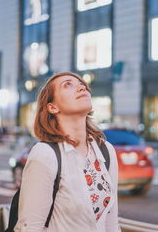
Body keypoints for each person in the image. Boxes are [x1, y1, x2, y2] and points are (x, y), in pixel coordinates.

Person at [15, 72, 120, 232]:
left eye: (81, 84)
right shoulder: (45, 154)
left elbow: (111, 223)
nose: (80, 86)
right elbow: (29, 227)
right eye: (68, 84)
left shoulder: (106, 151)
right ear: (52, 107)